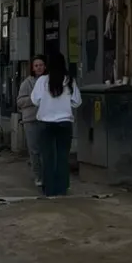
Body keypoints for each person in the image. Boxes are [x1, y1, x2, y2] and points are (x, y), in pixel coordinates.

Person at [31, 52, 82, 197]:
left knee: (47, 156)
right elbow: (77, 102)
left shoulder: (42, 81)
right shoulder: (69, 80)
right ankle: (62, 188)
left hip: (45, 123)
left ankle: (49, 189)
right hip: (65, 123)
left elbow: (34, 100)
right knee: (62, 156)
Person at [16, 55, 47, 187]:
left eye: (41, 65)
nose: (39, 67)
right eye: (36, 65)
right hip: (31, 120)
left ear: (45, 67)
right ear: (32, 68)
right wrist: (34, 98)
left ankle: (47, 175)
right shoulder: (27, 83)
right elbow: (20, 102)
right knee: (34, 150)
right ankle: (38, 176)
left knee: (46, 150)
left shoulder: (49, 81)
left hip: (47, 119)